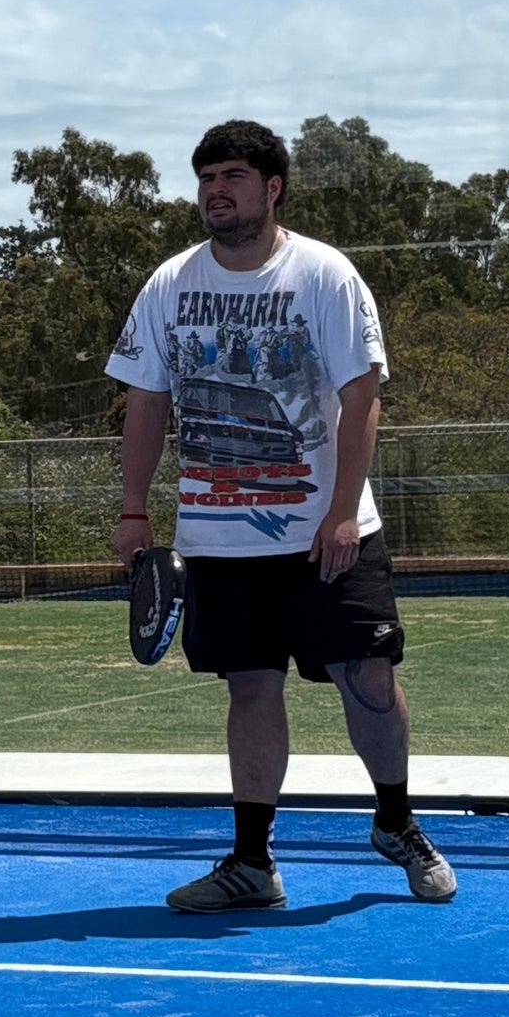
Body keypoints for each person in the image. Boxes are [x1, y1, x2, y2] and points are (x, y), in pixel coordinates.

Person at [106, 119, 454, 911]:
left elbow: (363, 396)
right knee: (251, 689)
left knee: (368, 676)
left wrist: (341, 512)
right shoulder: (168, 285)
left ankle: (396, 821)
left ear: (272, 188)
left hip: (329, 533)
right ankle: (252, 864)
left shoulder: (325, 274)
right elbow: (146, 400)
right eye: (206, 178)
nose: (215, 190)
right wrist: (133, 510)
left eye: (232, 175)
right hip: (217, 540)